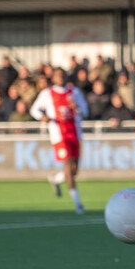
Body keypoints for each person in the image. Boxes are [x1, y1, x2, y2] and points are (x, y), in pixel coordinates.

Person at [30, 68, 89, 214]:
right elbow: (34, 110)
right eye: (57, 76)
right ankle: (78, 204)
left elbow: (85, 111)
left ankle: (56, 179)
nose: (60, 78)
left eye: (63, 75)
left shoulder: (75, 92)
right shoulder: (47, 93)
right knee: (68, 165)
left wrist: (76, 108)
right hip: (58, 135)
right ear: (53, 78)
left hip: (75, 133)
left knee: (74, 170)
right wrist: (43, 117)